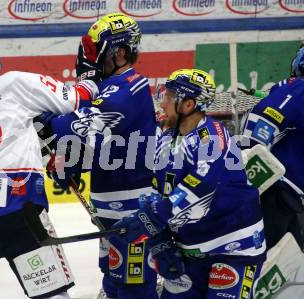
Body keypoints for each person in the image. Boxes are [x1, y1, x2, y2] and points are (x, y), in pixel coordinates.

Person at [0, 39, 100, 299]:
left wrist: (27, 122)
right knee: (52, 294)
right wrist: (91, 76)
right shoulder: (12, 84)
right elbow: (77, 100)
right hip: (21, 214)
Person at [114, 69, 266, 298]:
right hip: (190, 252)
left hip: (233, 249)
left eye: (168, 97)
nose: (162, 104)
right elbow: (159, 192)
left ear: (188, 105)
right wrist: (159, 240)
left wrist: (155, 215)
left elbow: (201, 186)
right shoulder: (166, 139)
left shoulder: (213, 136)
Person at [43, 12, 158, 299]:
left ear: (119, 52)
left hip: (134, 209)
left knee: (135, 286)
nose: (88, 60)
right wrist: (72, 162)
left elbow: (78, 126)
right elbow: (101, 144)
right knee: (112, 276)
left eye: (95, 52)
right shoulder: (106, 87)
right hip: (109, 204)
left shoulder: (132, 86)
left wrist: (41, 117)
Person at [240, 47, 304, 250]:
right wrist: (240, 186)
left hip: (290, 201)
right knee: (258, 267)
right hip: (272, 196)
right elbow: (258, 127)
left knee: (292, 272)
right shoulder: (297, 88)